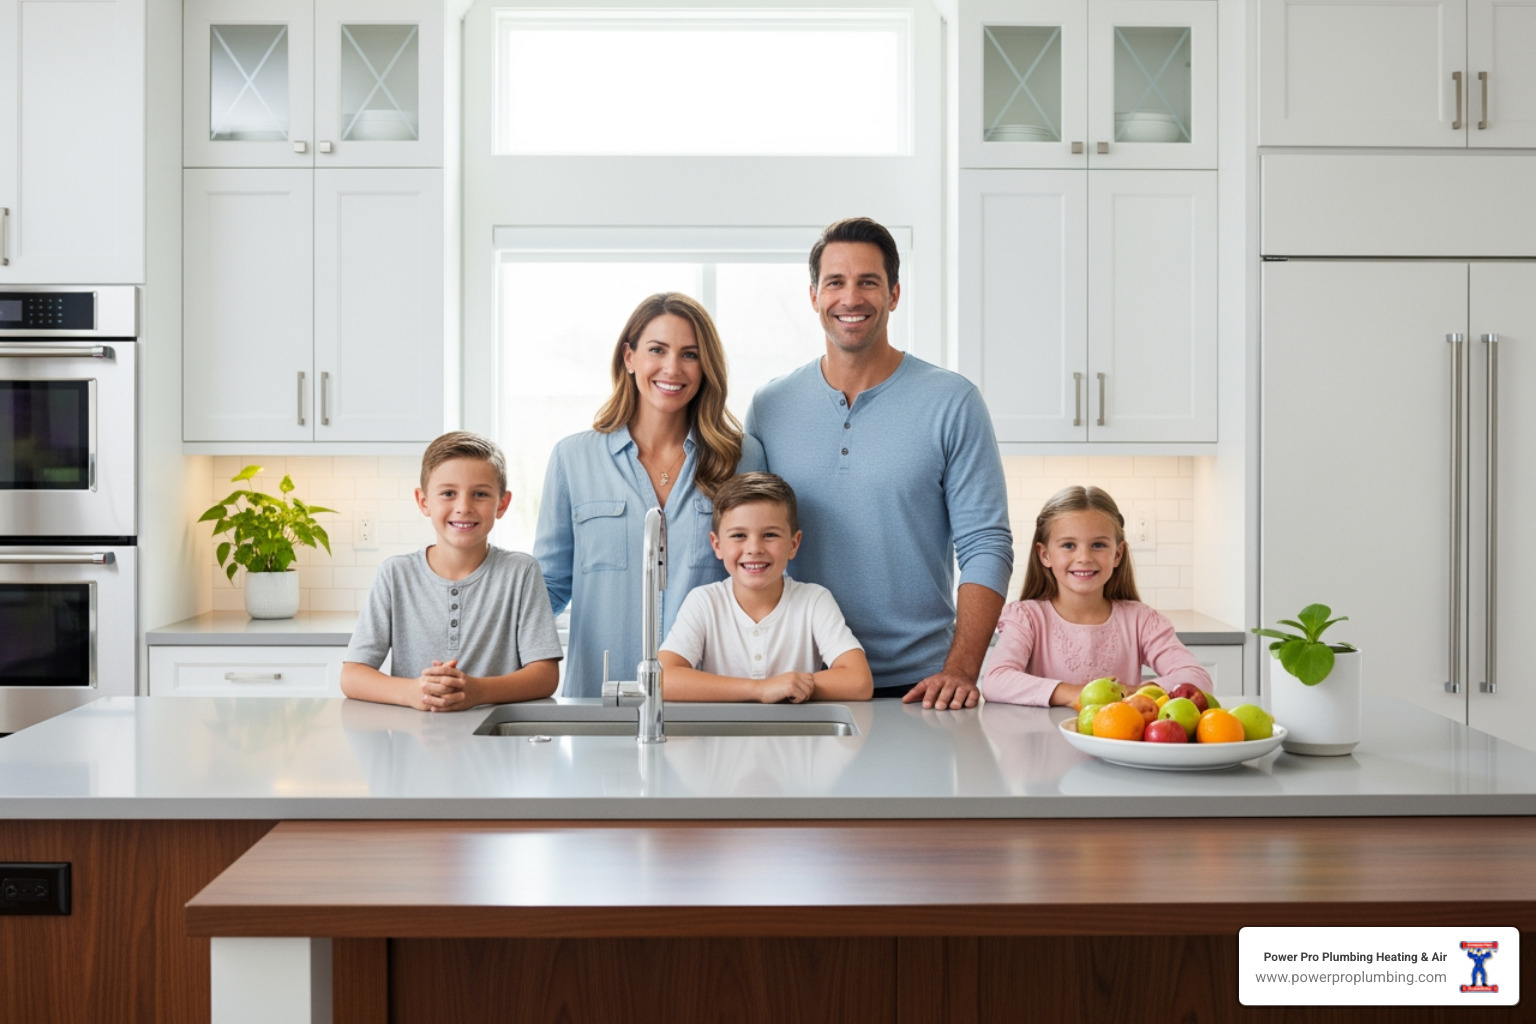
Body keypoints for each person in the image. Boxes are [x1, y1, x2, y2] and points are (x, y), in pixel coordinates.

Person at [744, 217, 1013, 709]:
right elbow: (744, 540)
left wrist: (960, 669)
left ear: (893, 294)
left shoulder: (952, 401)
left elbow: (986, 544)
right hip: (803, 681)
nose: (851, 298)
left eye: (868, 282)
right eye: (835, 283)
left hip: (920, 687)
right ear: (813, 296)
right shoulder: (770, 406)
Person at [535, 292, 766, 697]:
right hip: (598, 703)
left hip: (709, 700)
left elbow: (765, 576)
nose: (672, 368)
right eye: (657, 350)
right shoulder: (573, 458)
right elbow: (548, 588)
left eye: (690, 354)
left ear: (706, 366)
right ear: (629, 358)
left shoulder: (742, 457)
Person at [341, 431, 563, 711]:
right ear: (423, 502)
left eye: (480, 494)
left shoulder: (520, 572)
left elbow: (545, 676)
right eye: (448, 493)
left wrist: (477, 691)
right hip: (411, 743)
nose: (463, 507)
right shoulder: (395, 574)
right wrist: (413, 692)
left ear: (502, 504)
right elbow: (352, 676)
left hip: (497, 743)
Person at [979, 485, 1210, 707]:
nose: (1084, 557)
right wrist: (1080, 694)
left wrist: (1132, 693)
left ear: (1118, 554)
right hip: (1043, 743)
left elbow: (1197, 678)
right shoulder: (1027, 618)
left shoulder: (1141, 621)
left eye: (1098, 545)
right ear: (1045, 554)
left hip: (1117, 743)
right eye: (1069, 545)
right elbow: (996, 681)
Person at [659, 472, 873, 703]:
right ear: (717, 545)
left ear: (793, 544)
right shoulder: (704, 602)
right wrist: (761, 689)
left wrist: (787, 686)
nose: (754, 548)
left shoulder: (814, 600)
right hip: (722, 737)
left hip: (797, 737)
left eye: (770, 535)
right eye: (739, 535)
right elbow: (662, 679)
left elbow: (859, 682)